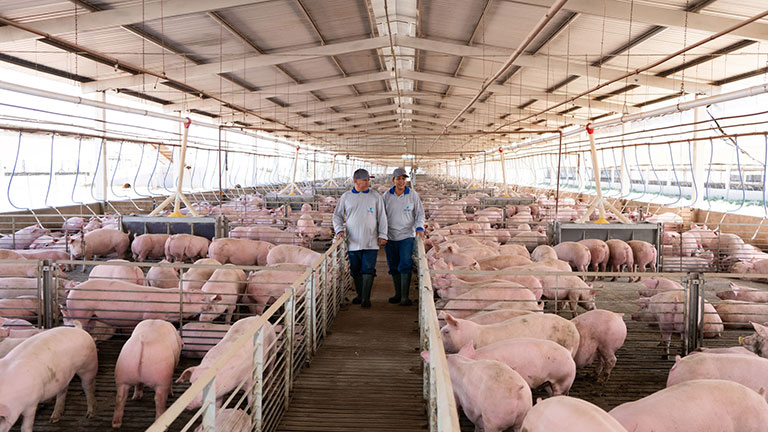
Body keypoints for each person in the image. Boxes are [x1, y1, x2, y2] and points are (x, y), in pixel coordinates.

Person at [332, 168, 387, 308]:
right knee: (355, 269)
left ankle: (365, 298)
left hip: (371, 241)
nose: (368, 182)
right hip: (353, 241)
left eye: (369, 180)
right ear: (355, 181)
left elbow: (382, 217)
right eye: (365, 180)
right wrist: (339, 230)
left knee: (368, 268)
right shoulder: (346, 197)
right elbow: (337, 216)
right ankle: (360, 294)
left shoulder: (375, 196)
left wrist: (383, 235)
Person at [382, 167, 425, 306]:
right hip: (390, 236)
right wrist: (381, 234)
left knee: (405, 263)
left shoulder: (413, 195)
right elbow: (381, 216)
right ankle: (398, 294)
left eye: (403, 179)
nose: (401, 181)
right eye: (398, 179)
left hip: (407, 235)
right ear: (393, 180)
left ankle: (405, 297)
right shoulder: (386, 196)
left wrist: (419, 228)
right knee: (393, 265)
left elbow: (420, 214)